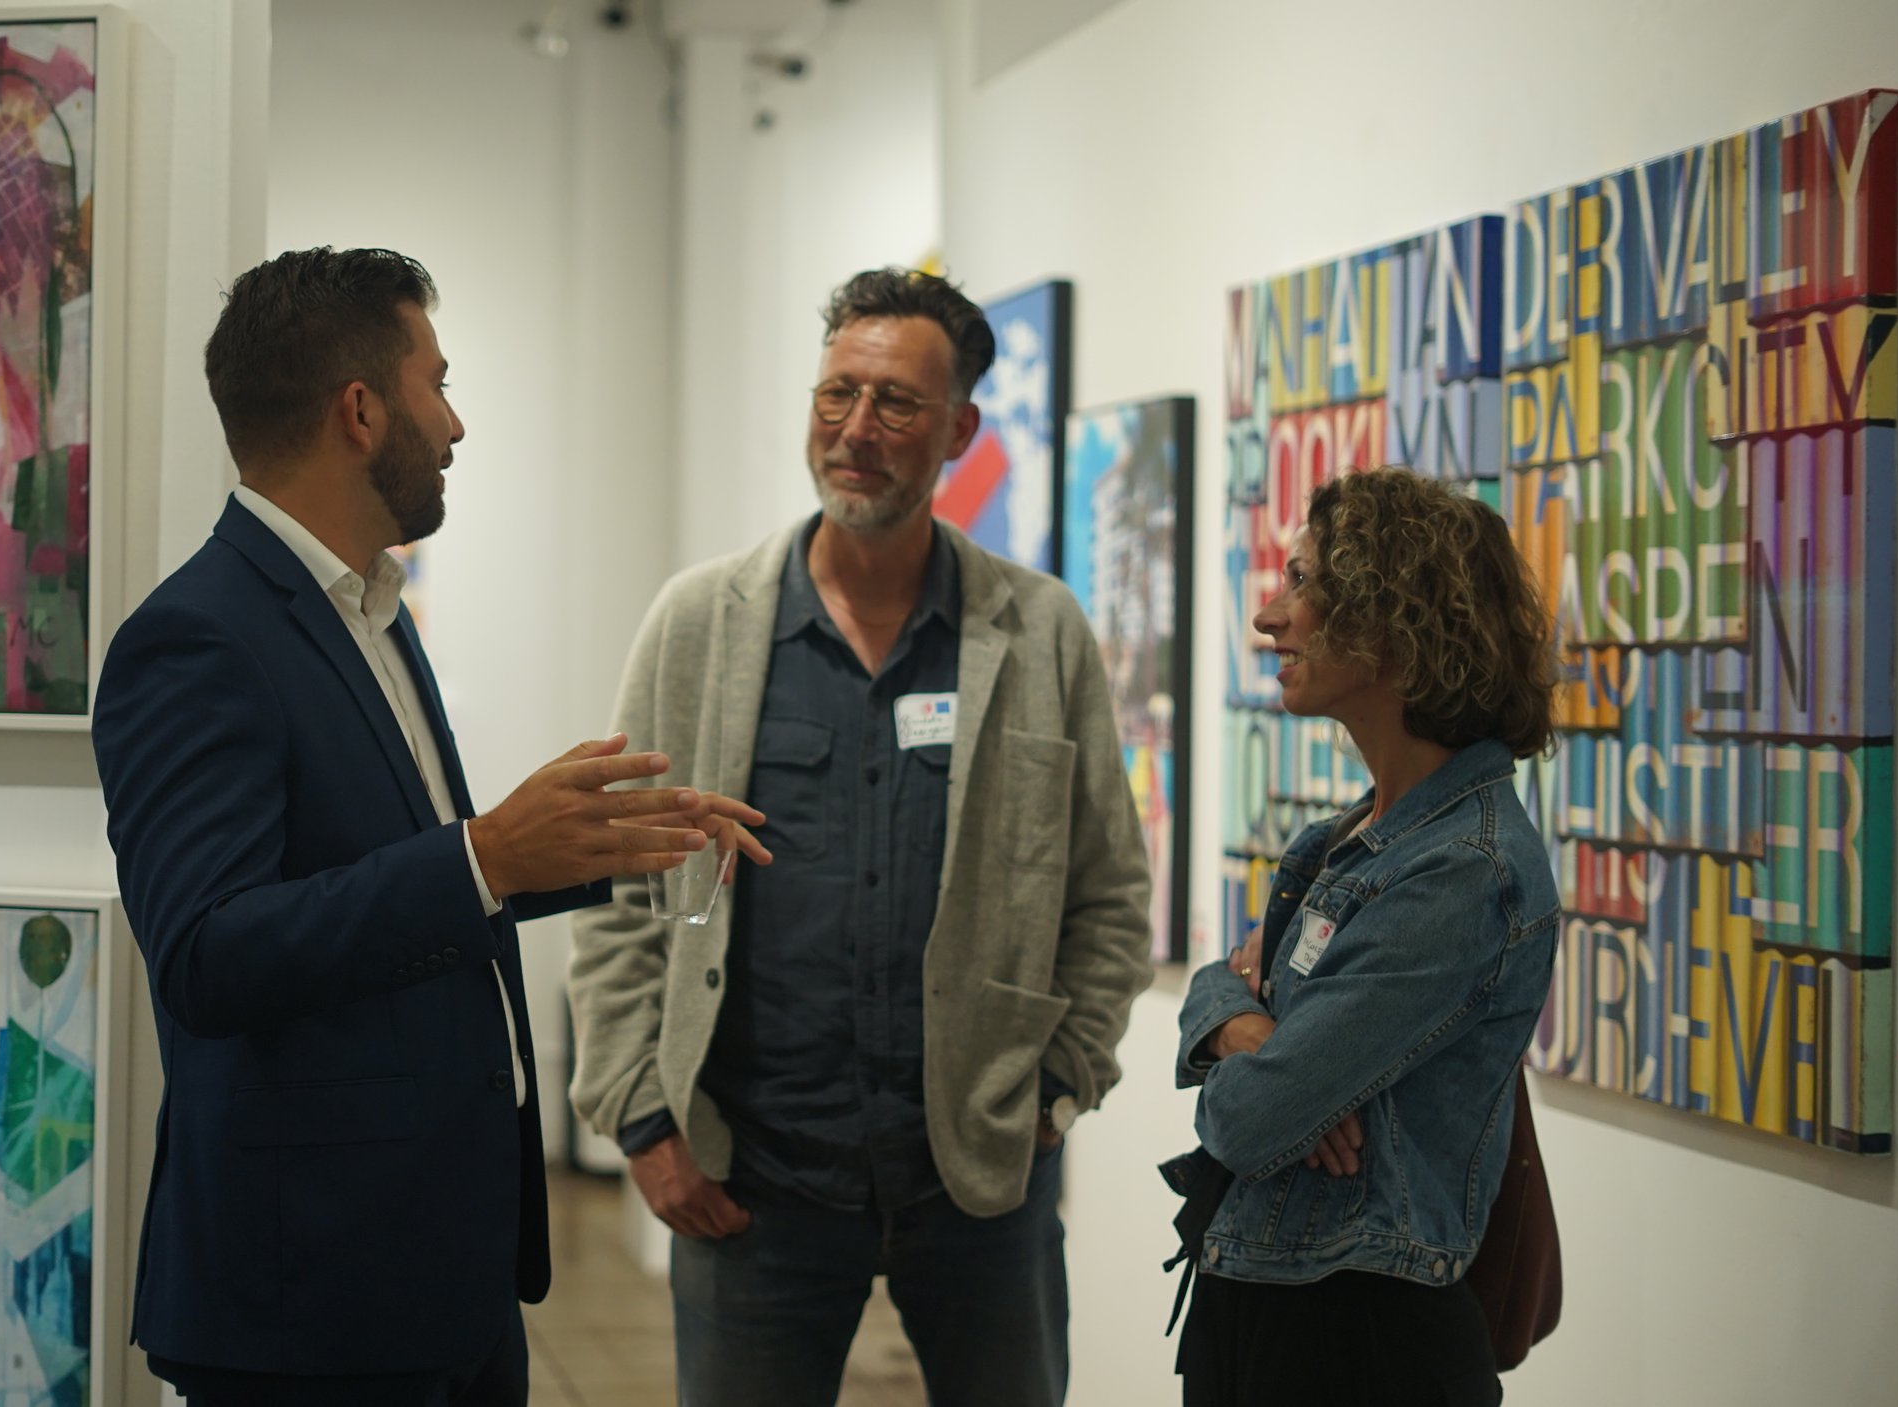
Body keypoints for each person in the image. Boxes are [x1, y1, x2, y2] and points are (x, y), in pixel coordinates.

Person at [92, 247, 755, 1407]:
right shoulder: (195, 638)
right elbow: (206, 953)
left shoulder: (374, 611)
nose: (453, 425)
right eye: (435, 383)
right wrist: (486, 854)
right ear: (359, 412)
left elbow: (405, 876)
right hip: (313, 1297)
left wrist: (599, 842)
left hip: (437, 1271)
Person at [568, 267, 1155, 1407]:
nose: (856, 431)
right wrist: (641, 1117)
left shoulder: (1035, 632)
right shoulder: (702, 623)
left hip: (978, 1178)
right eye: (837, 393)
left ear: (959, 431)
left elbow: (1108, 894)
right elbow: (616, 881)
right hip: (756, 1179)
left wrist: (1058, 1087)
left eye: (895, 404)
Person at [1166, 467, 1563, 1407]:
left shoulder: (1464, 869)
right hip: (1268, 1297)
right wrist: (1244, 1028)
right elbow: (1219, 987)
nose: (1269, 615)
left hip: (1358, 1342)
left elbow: (1247, 1121)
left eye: (1304, 583)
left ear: (1399, 623)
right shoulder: (1344, 843)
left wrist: (1262, 1061)